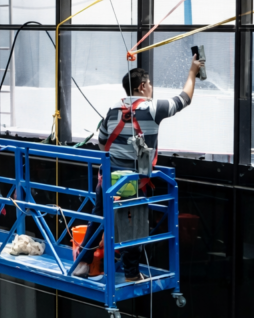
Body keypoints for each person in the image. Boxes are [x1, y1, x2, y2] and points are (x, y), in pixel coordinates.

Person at [74, 55, 204, 282]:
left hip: (108, 179)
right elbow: (185, 98)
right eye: (150, 84)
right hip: (134, 182)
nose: (152, 88)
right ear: (142, 86)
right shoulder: (152, 108)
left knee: (99, 216)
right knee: (133, 224)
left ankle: (83, 263)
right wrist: (193, 71)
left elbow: (103, 142)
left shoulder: (113, 108)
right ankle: (132, 273)